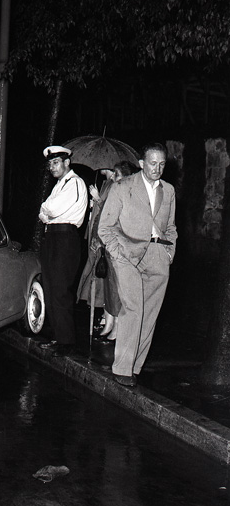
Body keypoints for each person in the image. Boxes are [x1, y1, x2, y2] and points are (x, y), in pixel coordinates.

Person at [97, 143, 177, 387]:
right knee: (133, 309)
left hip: (158, 255)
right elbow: (105, 227)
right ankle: (122, 368)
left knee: (149, 315)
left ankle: (134, 367)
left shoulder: (168, 190)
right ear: (142, 164)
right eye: (152, 163)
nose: (157, 169)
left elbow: (171, 227)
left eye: (162, 164)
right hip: (127, 255)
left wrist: (169, 252)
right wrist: (118, 254)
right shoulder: (122, 187)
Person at [77, 160, 139, 342]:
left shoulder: (129, 195)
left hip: (120, 248)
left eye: (117, 175)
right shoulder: (116, 190)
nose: (113, 178)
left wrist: (99, 201)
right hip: (109, 246)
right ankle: (110, 324)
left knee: (118, 290)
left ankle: (118, 328)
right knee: (109, 288)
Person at [38, 145, 88, 356]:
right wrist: (46, 211)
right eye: (50, 163)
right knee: (50, 289)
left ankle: (67, 342)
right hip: (53, 237)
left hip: (65, 239)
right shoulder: (60, 185)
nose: (52, 167)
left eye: (56, 162)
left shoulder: (75, 183)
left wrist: (47, 210)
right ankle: (59, 337)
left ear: (67, 162)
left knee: (60, 290)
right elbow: (42, 213)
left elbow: (50, 209)